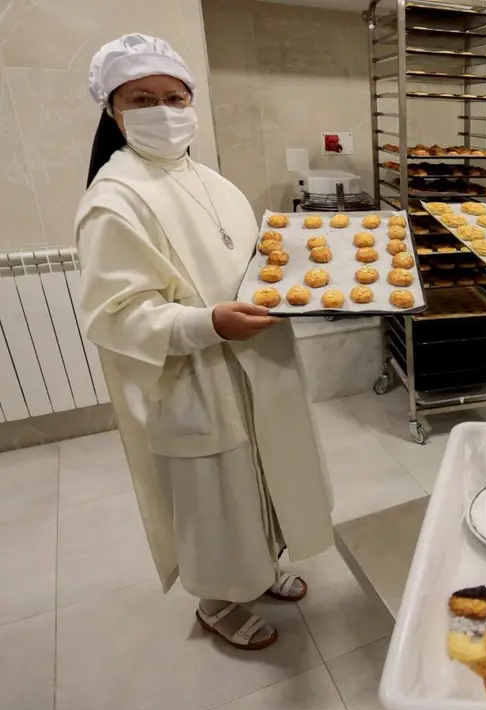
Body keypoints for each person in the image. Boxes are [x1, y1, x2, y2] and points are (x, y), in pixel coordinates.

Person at [75, 34, 334, 649]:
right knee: (215, 497)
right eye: (143, 99)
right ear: (115, 113)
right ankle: (217, 602)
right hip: (196, 377)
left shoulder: (209, 179)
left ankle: (263, 566)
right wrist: (208, 324)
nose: (164, 109)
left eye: (175, 95)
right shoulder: (114, 201)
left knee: (262, 478)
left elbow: (247, 260)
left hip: (256, 364)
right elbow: (117, 315)